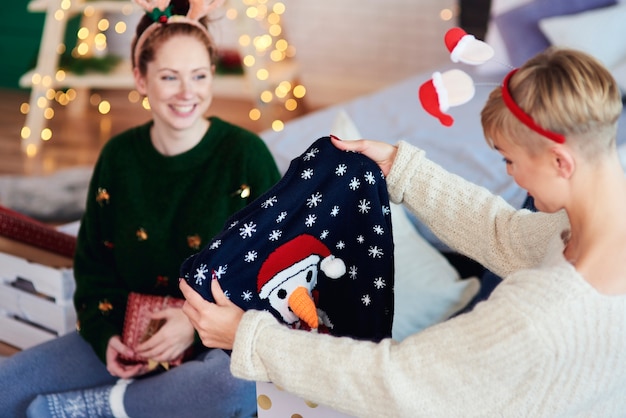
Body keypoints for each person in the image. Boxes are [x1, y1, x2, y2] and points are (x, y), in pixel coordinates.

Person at [179, 47, 626, 417]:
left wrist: (251, 338)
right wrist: (401, 169)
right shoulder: (589, 225)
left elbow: (397, 380)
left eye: (509, 161)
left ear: (560, 162)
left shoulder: (538, 316)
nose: (511, 175)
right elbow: (507, 233)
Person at [0, 0, 281, 416]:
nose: (188, 93)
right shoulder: (118, 157)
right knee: (8, 386)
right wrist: (103, 336)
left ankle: (96, 407)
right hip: (127, 340)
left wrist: (195, 326)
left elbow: (274, 272)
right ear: (141, 79)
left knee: (232, 389)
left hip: (213, 350)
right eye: (169, 77)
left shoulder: (246, 156)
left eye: (199, 76)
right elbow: (94, 266)